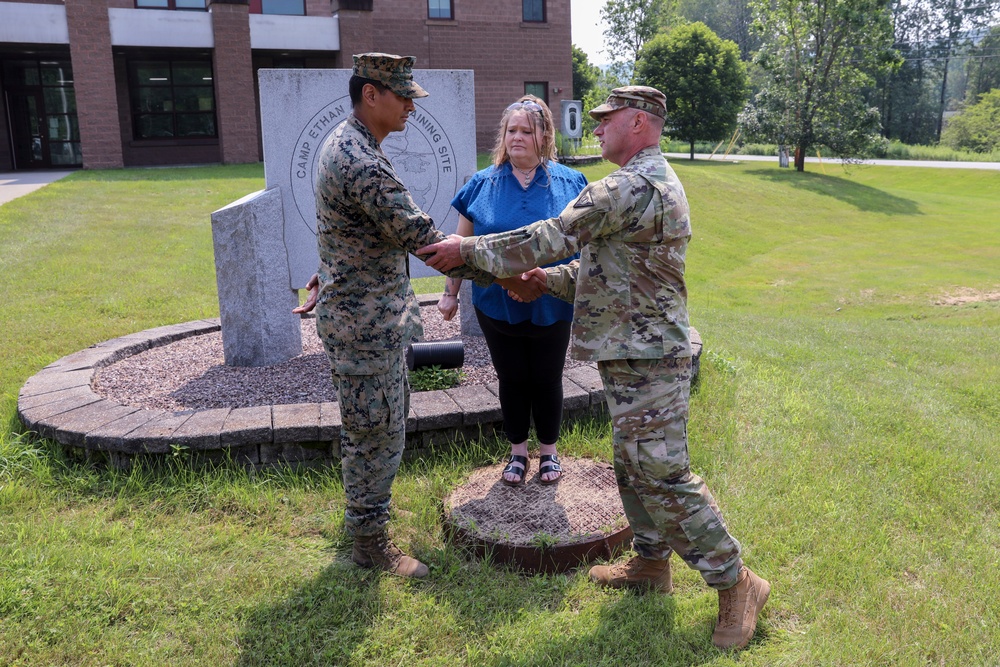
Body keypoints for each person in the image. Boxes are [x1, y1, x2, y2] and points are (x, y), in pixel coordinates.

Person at [417, 86, 770, 650]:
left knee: (662, 471)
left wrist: (468, 253)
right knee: (631, 463)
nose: (598, 128)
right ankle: (651, 564)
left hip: (650, 352)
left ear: (638, 122)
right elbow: (603, 270)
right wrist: (549, 281)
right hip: (631, 345)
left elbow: (550, 236)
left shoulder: (632, 185)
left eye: (608, 120)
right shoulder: (641, 185)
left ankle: (737, 582)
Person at [292, 53, 541, 579]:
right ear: (370, 95)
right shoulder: (359, 159)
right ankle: (368, 539)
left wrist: (328, 268)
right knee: (375, 432)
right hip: (366, 326)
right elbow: (427, 241)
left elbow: (350, 230)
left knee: (373, 426)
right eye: (401, 95)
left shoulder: (350, 144)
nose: (410, 104)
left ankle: (365, 520)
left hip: (367, 318)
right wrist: (509, 276)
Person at [438, 95, 587, 486]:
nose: (516, 137)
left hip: (552, 302)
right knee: (511, 376)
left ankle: (550, 453)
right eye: (510, 131)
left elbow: (584, 241)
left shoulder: (571, 182)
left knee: (548, 376)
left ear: (545, 136)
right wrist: (450, 292)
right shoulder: (481, 184)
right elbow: (460, 243)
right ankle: (518, 452)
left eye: (526, 130)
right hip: (495, 304)